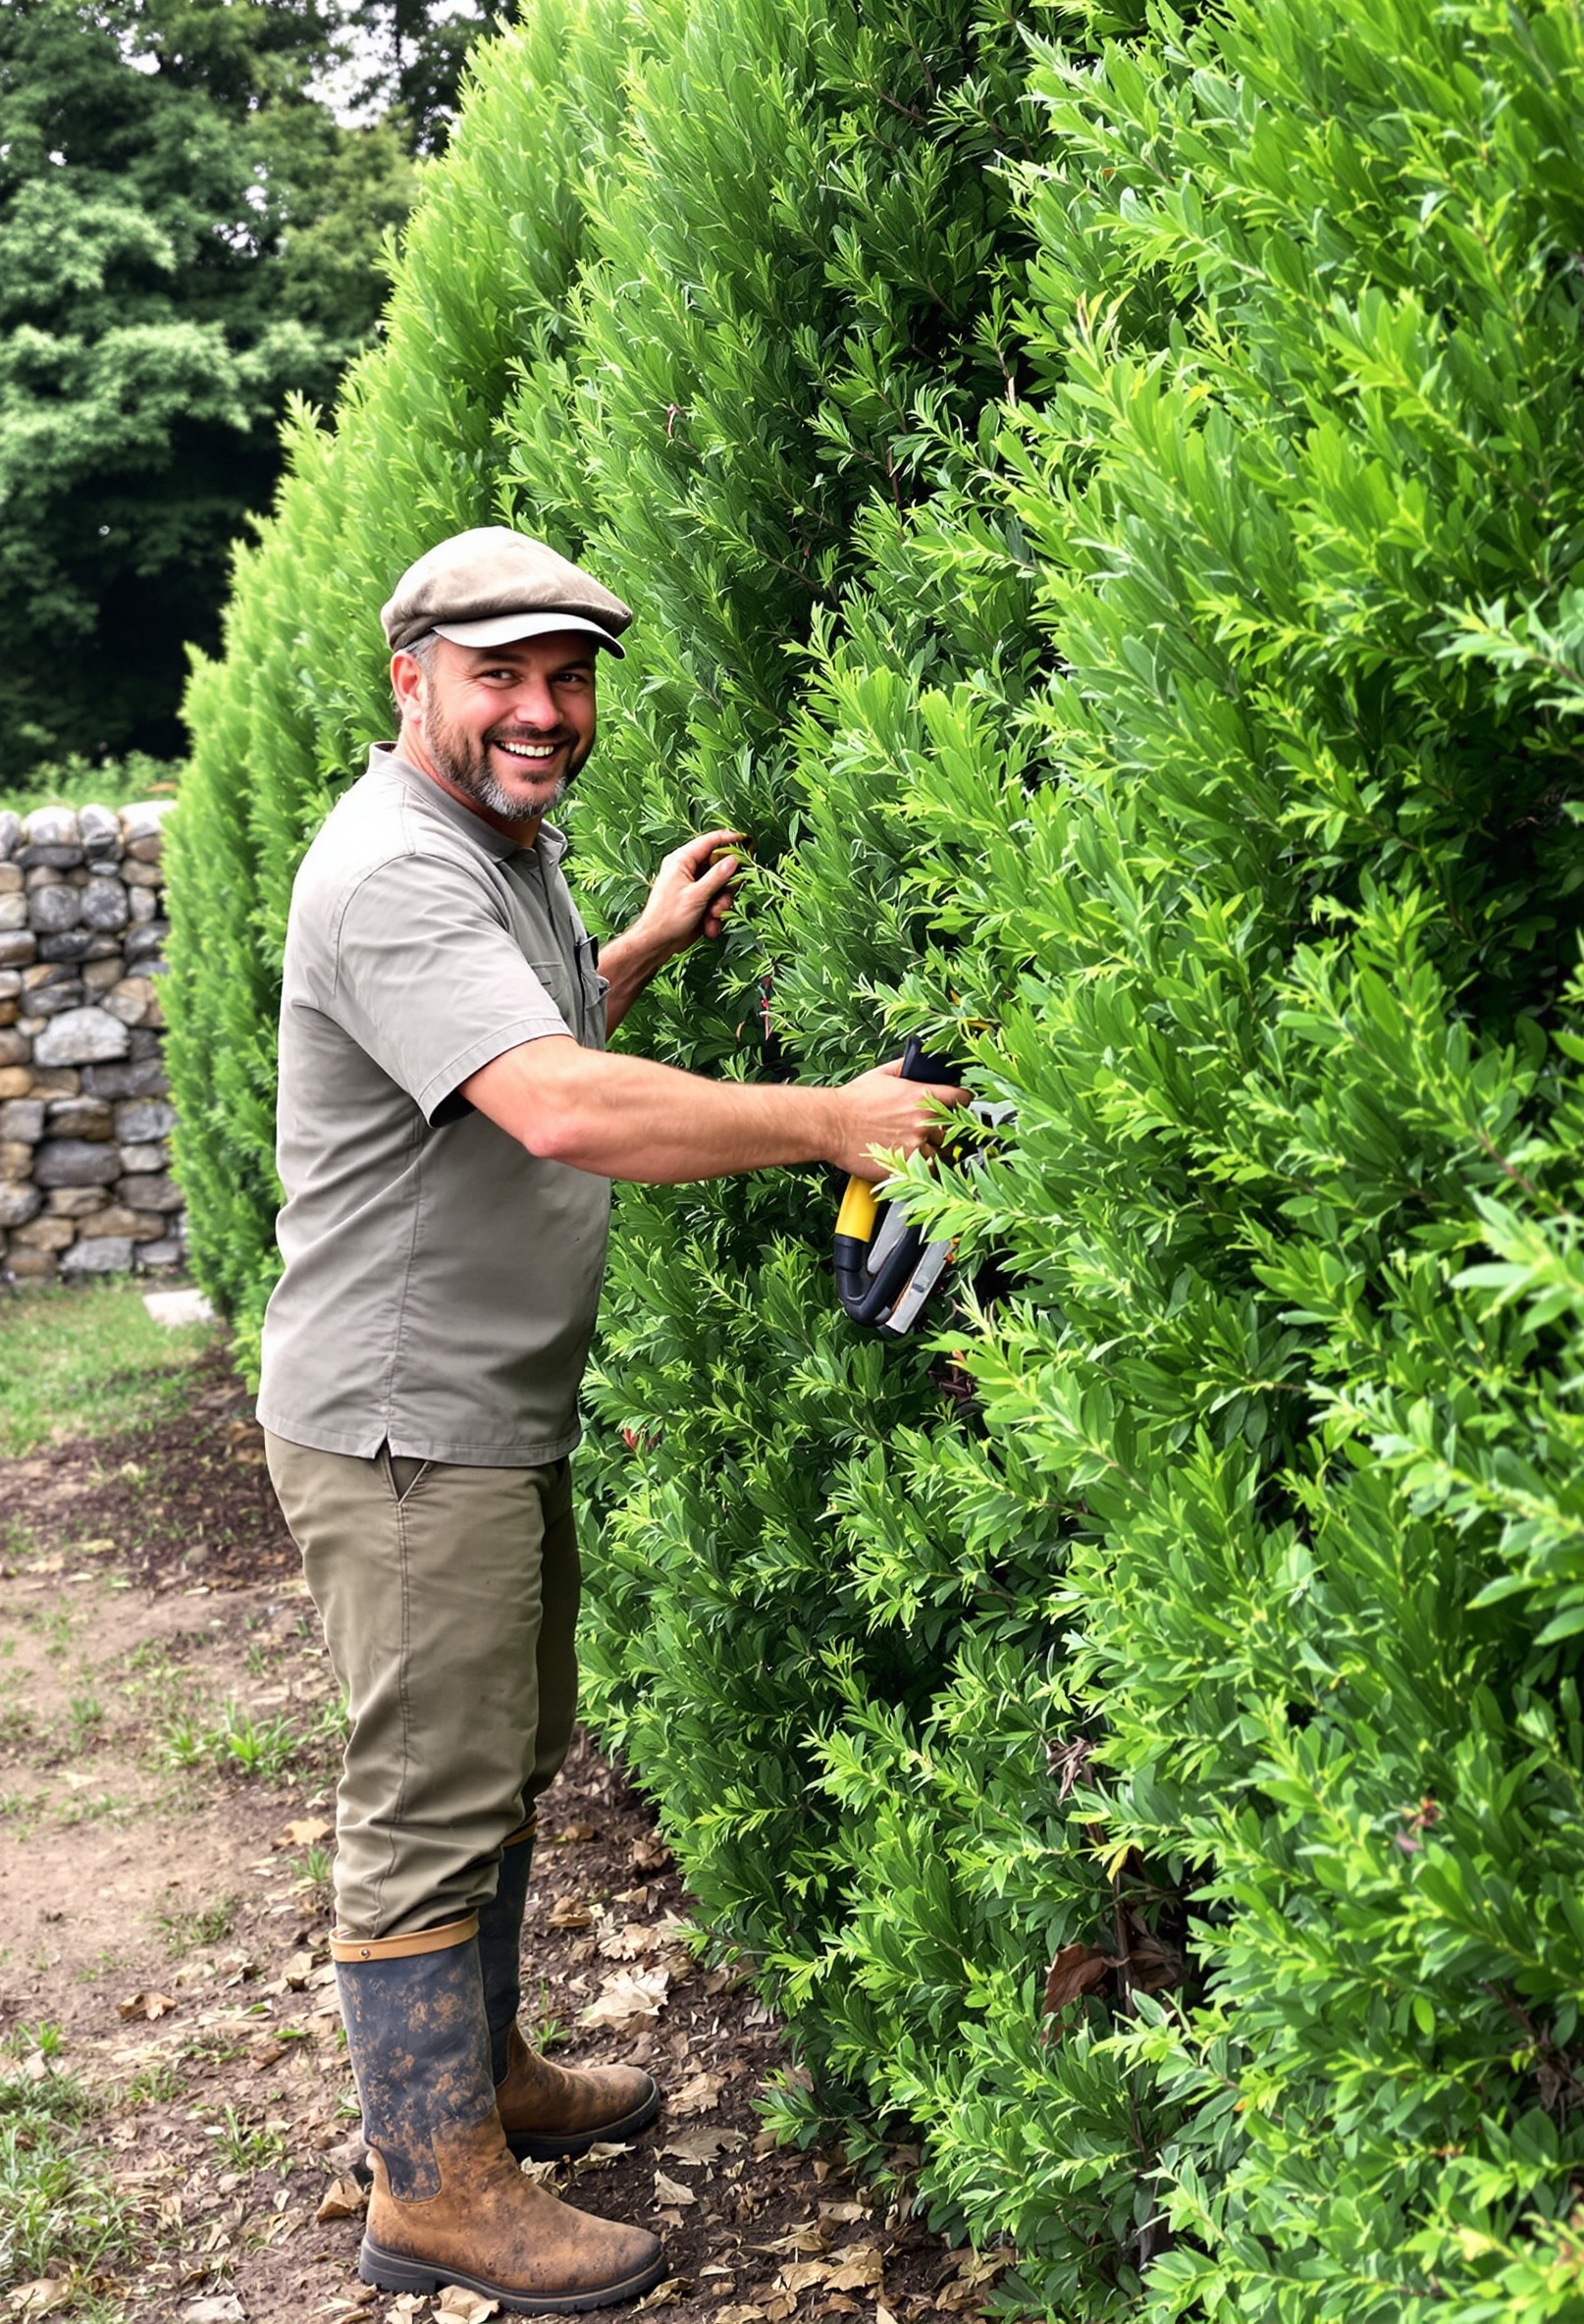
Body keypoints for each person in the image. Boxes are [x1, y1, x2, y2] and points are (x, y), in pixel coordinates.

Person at [256, 526, 965, 2313]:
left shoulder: (498, 851)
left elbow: (513, 1044)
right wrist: (830, 1120)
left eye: (567, 676)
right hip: (407, 1422)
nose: (545, 710)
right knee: (429, 1792)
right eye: (500, 674)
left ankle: (480, 2090)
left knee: (502, 1758)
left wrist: (636, 938)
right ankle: (431, 2187)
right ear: (409, 678)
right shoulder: (395, 871)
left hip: (474, 1411)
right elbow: (556, 1107)